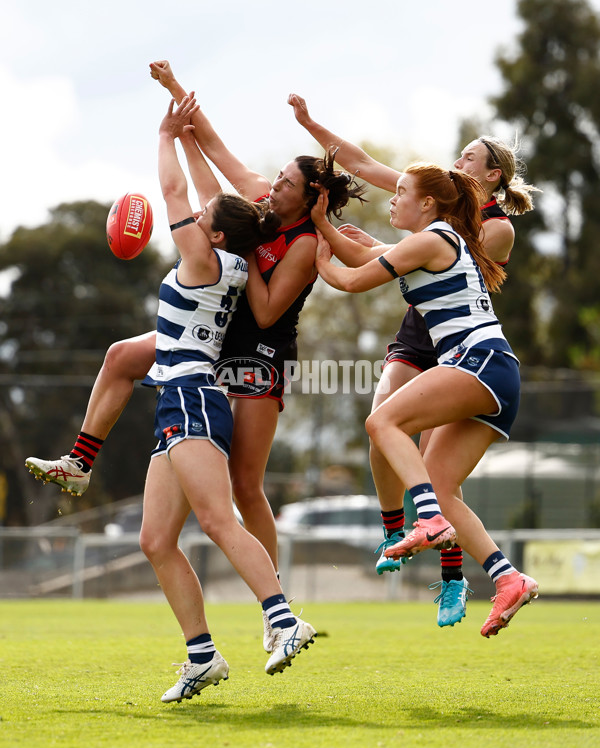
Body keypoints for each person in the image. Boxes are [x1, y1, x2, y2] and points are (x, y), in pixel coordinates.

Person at [26, 62, 364, 652]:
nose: (272, 183)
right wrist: (179, 106)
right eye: (278, 177)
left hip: (255, 351)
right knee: (122, 355)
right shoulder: (256, 206)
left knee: (245, 488)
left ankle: (274, 604)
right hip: (213, 333)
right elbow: (214, 165)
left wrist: (228, 260)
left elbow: (263, 312)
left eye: (285, 180)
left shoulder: (305, 241)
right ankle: (81, 461)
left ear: (309, 195)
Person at [288, 93, 539, 627]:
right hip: (492, 367)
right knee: (442, 486)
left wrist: (319, 249)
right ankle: (507, 577)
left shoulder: (446, 234)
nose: (391, 195)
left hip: (474, 358)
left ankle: (420, 523)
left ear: (429, 202)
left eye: (401, 191)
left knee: (383, 421)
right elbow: (373, 255)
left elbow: (354, 278)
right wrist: (326, 231)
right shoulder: (436, 234)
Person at [139, 94, 317, 702]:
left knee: (218, 518)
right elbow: (206, 195)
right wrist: (188, 134)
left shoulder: (204, 258)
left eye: (205, 214)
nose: (196, 212)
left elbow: (174, 196)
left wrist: (166, 136)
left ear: (211, 232)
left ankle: (284, 618)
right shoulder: (232, 260)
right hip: (179, 396)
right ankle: (201, 655)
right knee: (155, 540)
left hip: (190, 394)